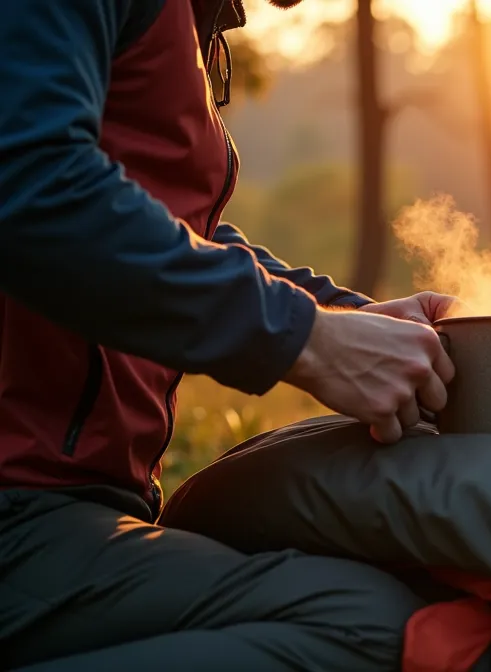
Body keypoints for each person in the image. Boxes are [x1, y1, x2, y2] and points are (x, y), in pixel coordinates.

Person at [0, 0, 453, 669]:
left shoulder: (192, 18)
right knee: (380, 630)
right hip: (23, 506)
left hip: (74, 505)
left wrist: (341, 317)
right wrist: (309, 340)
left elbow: (175, 227)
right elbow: (31, 187)